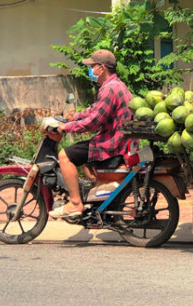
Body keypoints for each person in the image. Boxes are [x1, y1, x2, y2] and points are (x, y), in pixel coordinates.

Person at [49, 49, 133, 218]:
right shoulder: (115, 85)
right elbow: (95, 109)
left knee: (65, 155)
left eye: (92, 66)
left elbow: (95, 120)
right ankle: (95, 198)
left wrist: (67, 127)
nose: (91, 70)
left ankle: (75, 204)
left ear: (102, 68)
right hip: (118, 140)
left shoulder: (109, 88)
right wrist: (73, 116)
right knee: (83, 156)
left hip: (112, 144)